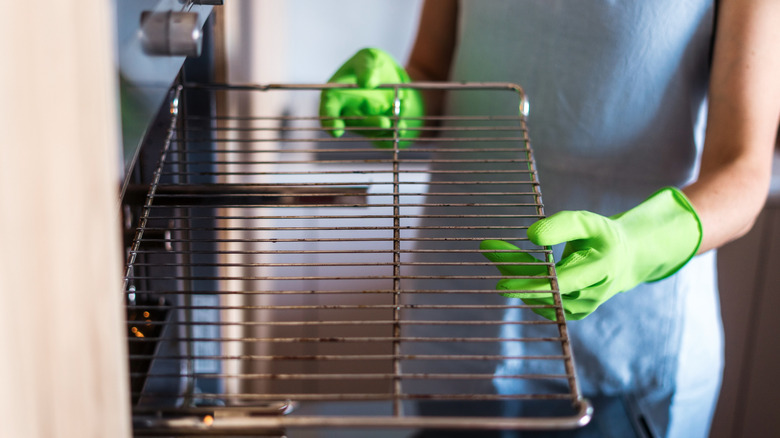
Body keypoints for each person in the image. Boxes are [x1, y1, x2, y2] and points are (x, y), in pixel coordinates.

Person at [318, 1, 780, 436]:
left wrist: (637, 246)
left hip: (623, 346)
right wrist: (397, 104)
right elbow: (431, 74)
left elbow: (742, 166)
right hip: (460, 319)